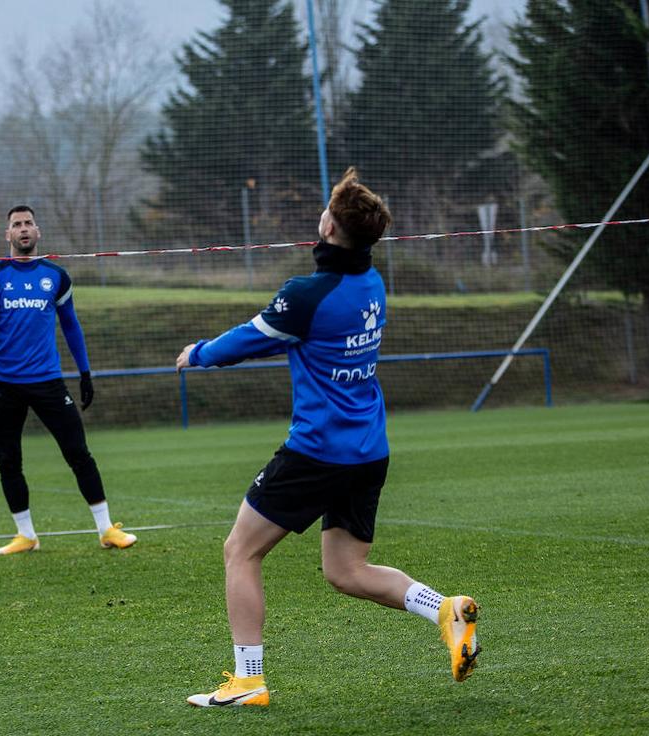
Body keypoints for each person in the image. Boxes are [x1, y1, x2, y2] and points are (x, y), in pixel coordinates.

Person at [176, 168, 479, 708]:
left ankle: (249, 681)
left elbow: (250, 338)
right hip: (369, 450)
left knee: (239, 551)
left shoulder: (308, 292)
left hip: (318, 450)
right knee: (347, 571)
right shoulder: (370, 284)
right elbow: (290, 337)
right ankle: (443, 608)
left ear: (331, 228)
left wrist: (197, 354)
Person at [0, 205, 135, 554]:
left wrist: (85, 372)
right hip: (4, 385)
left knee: (79, 454)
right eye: (16, 225)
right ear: (7, 235)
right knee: (8, 462)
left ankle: (106, 529)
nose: (23, 229)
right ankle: (26, 535)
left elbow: (71, 326)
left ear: (38, 231)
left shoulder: (56, 276)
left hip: (48, 382)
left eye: (28, 223)